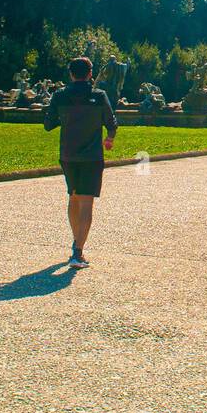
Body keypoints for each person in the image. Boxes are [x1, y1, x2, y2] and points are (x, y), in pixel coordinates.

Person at [43, 57, 117, 269]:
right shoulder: (99, 96)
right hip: (91, 156)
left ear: (71, 73)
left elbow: (48, 124)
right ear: (90, 73)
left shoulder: (60, 96)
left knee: (73, 197)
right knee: (86, 201)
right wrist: (109, 138)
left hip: (68, 155)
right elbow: (111, 122)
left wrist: (62, 116)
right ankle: (78, 250)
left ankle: (76, 242)